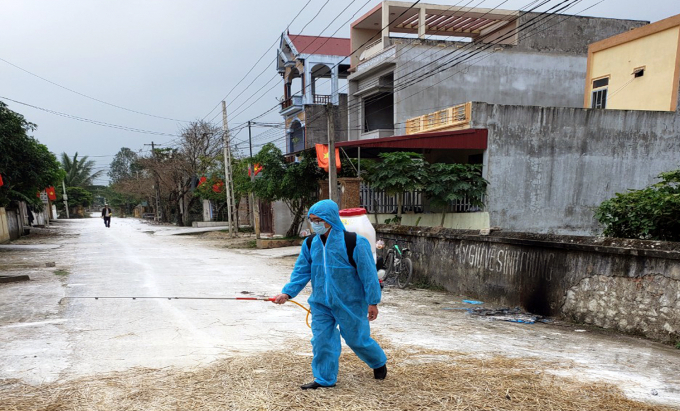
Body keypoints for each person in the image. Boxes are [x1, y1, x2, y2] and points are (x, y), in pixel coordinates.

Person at [272, 199, 387, 389]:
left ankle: (377, 361)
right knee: (321, 340)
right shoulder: (310, 244)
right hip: (320, 303)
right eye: (312, 220)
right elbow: (301, 272)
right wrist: (287, 293)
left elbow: (368, 275)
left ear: (331, 219)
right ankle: (324, 379)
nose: (315, 224)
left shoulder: (355, 242)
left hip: (350, 302)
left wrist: (373, 301)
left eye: (319, 220)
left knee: (357, 339)